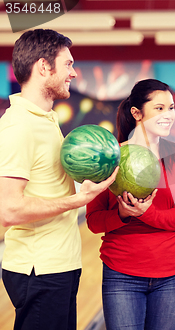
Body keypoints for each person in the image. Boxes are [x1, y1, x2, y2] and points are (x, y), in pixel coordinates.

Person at [0, 29, 117, 330]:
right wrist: (77, 200)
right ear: (43, 67)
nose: (74, 73)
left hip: (59, 265)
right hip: (38, 269)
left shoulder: (46, 119)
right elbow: (8, 210)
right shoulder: (19, 126)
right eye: (67, 64)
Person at [86, 79, 175, 330]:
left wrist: (146, 213)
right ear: (136, 113)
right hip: (121, 274)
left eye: (171, 108)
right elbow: (93, 221)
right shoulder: (108, 159)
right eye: (159, 108)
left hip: (172, 276)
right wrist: (122, 215)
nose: (168, 115)